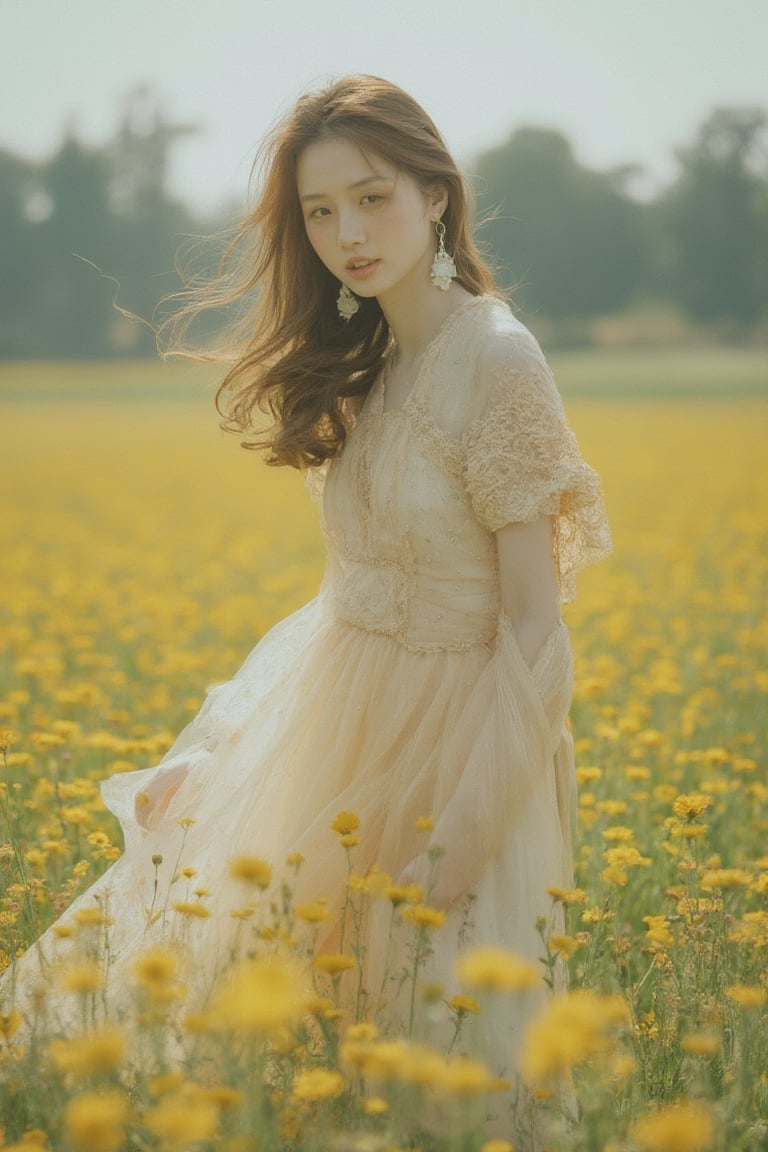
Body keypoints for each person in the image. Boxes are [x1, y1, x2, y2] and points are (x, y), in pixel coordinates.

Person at [3, 76, 611, 1138]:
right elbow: (348, 599)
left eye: (371, 198)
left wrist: (460, 837)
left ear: (437, 195)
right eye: (320, 212)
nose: (346, 234)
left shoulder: (499, 361)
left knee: (442, 1080)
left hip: (461, 758)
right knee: (306, 1058)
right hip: (341, 743)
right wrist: (229, 755)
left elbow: (533, 624)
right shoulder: (378, 361)